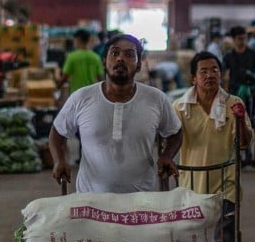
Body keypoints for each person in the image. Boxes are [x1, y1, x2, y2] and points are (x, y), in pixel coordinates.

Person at [49, 34, 182, 193]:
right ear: (104, 61)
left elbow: (175, 131)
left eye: (129, 55)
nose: (120, 59)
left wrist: (167, 155)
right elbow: (57, 133)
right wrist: (60, 160)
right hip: (91, 202)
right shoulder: (81, 98)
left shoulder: (156, 99)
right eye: (115, 53)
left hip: (140, 201)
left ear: (139, 65)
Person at [173, 51, 253, 242]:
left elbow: (244, 143)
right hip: (191, 189)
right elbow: (168, 139)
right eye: (204, 71)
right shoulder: (180, 107)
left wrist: (240, 121)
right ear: (194, 78)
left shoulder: (234, 103)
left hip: (224, 189)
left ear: (222, 75)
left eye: (214, 70)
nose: (210, 75)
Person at [59, 29, 104, 94]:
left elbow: (65, 77)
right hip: (91, 94)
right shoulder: (96, 57)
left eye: (74, 40)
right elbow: (101, 78)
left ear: (78, 40)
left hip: (75, 94)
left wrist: (57, 87)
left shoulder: (72, 57)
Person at [222, 26, 255, 97]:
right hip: (234, 91)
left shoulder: (253, 54)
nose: (242, 41)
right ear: (233, 39)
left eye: (244, 38)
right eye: (239, 39)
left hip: (250, 91)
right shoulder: (228, 56)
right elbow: (223, 73)